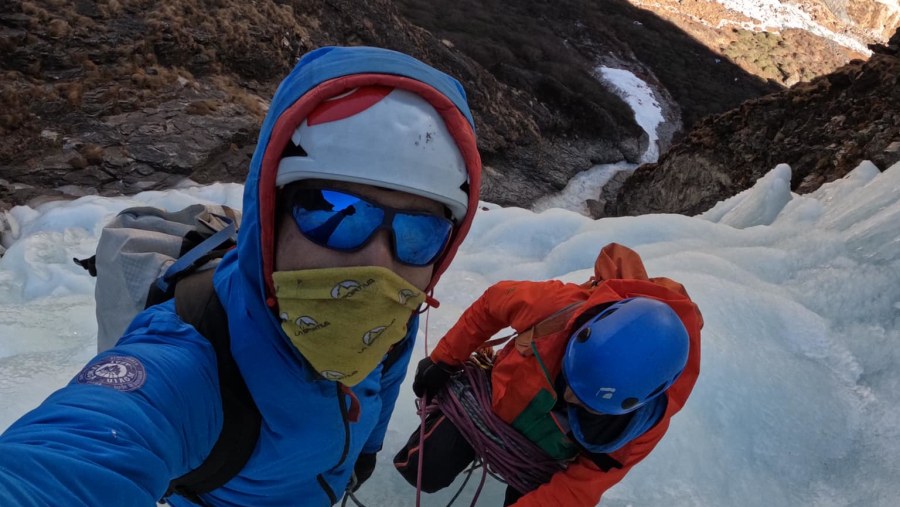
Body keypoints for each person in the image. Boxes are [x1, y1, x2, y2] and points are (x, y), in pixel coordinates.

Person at [0, 46, 482, 506]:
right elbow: (69, 458)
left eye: (421, 232)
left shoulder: (391, 319)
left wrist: (366, 451)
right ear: (270, 218)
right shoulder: (189, 363)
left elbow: (387, 374)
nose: (379, 265)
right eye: (335, 212)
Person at [394, 243, 702, 506]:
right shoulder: (558, 308)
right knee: (423, 470)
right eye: (571, 378)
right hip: (493, 401)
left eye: (586, 400)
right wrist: (445, 359)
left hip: (546, 456)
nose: (567, 396)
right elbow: (493, 303)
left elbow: (577, 489)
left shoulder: (640, 429)